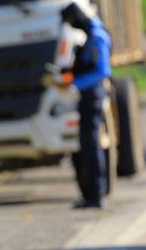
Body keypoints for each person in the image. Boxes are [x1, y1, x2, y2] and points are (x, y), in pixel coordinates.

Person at [60, 2, 112, 209]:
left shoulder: (97, 36)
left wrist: (74, 84)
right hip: (87, 99)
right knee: (86, 148)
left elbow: (102, 71)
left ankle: (97, 195)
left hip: (93, 99)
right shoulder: (90, 33)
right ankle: (91, 194)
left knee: (92, 148)